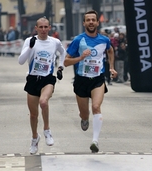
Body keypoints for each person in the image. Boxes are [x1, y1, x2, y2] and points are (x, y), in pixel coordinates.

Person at [64, 10, 117, 153]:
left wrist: (111, 67)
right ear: (84, 23)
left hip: (98, 79)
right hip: (81, 80)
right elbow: (66, 61)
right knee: (85, 114)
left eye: (93, 20)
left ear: (97, 22)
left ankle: (95, 141)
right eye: (88, 20)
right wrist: (80, 58)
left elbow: (110, 51)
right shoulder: (78, 40)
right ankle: (84, 118)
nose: (91, 22)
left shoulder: (104, 40)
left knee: (96, 107)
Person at [18, 17, 66, 155]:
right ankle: (34, 138)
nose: (44, 30)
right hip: (33, 79)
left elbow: (63, 53)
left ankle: (47, 130)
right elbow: (21, 61)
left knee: (43, 102)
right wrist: (30, 47)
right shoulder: (29, 41)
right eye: (41, 27)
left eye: (46, 27)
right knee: (33, 114)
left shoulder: (55, 42)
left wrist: (61, 67)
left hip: (48, 79)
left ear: (50, 28)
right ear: (36, 28)